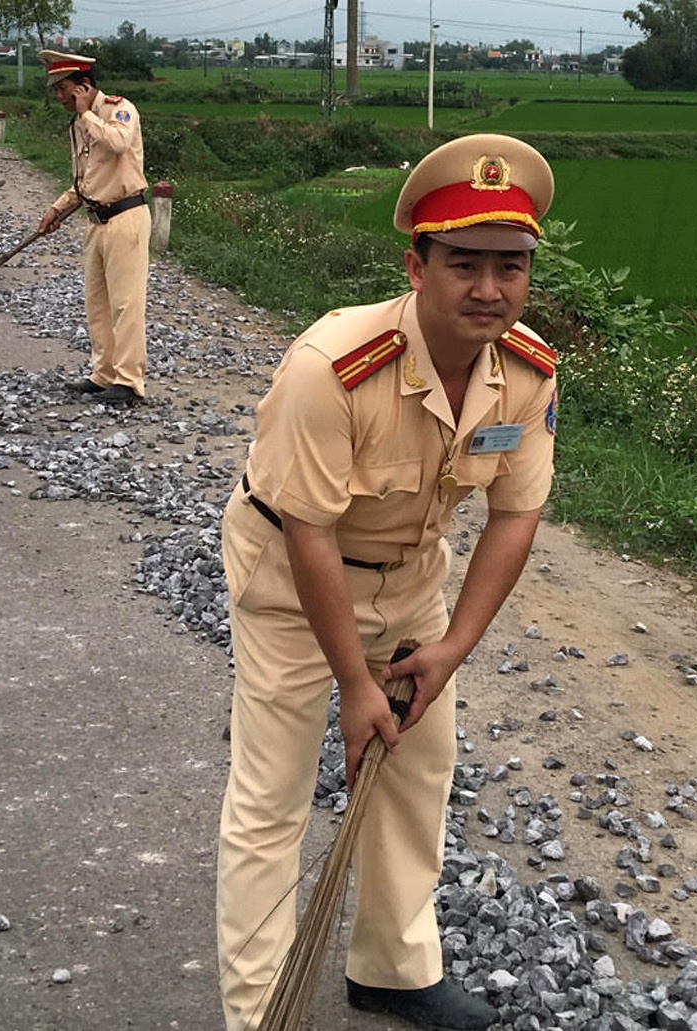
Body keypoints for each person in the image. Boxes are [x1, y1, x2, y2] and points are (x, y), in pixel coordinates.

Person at [215, 133, 559, 1031]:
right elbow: (309, 529)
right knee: (274, 794)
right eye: (464, 264)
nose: (489, 289)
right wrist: (355, 683)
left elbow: (514, 516)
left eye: (510, 267)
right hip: (292, 581)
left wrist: (449, 649)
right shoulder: (333, 365)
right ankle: (261, 1012)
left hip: (413, 582)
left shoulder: (526, 372)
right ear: (416, 264)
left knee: (416, 772)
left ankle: (393, 967)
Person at [35, 50, 149, 404]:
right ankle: (104, 374)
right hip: (96, 221)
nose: (60, 97)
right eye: (56, 90)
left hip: (126, 218)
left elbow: (117, 143)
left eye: (65, 89)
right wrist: (57, 209)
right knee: (96, 303)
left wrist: (86, 113)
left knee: (126, 304)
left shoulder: (119, 110)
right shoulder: (79, 124)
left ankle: (129, 382)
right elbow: (86, 181)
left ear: (83, 87)